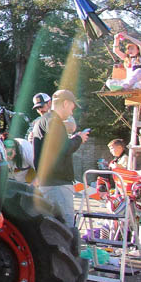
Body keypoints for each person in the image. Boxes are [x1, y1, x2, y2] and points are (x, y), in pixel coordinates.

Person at [31, 89, 89, 224]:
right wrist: (78, 139)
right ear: (66, 103)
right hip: (58, 185)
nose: (71, 112)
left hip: (48, 183)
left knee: (52, 228)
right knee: (65, 228)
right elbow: (63, 148)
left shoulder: (42, 121)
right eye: (72, 108)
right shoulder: (54, 121)